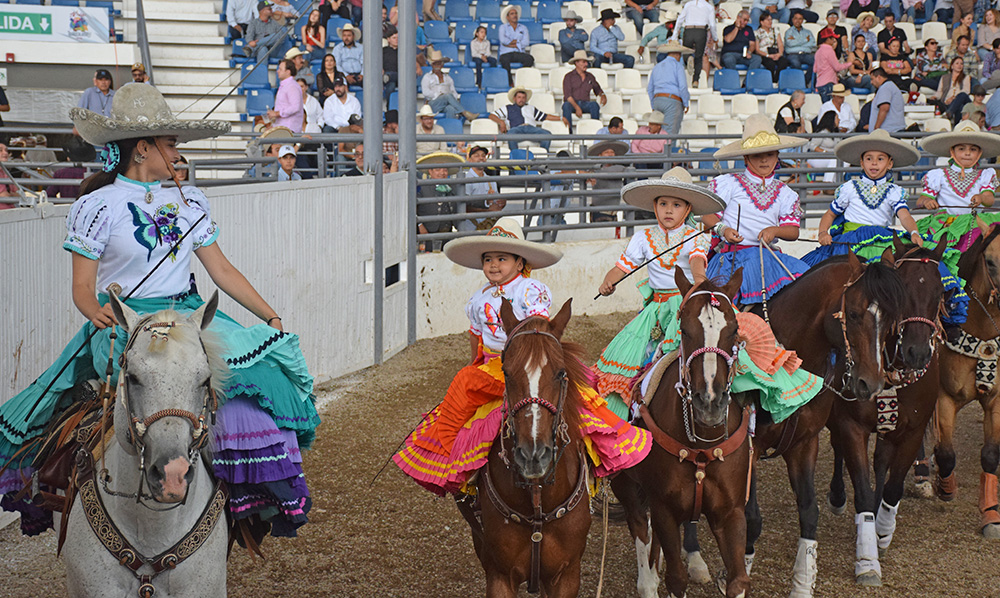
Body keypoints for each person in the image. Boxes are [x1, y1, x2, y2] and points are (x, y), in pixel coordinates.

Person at [0, 83, 319, 539]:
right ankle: (66, 493)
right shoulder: (95, 207)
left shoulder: (190, 201)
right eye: (170, 144)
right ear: (143, 148)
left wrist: (270, 317)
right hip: (125, 321)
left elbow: (222, 270)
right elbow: (82, 288)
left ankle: (244, 504)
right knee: (80, 411)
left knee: (258, 383)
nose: (177, 153)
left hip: (188, 320)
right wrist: (95, 313)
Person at [394, 216, 651, 497]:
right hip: (494, 365)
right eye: (488, 259)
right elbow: (476, 336)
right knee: (461, 392)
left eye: (501, 258)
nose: (493, 265)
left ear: (519, 263)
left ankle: (590, 465)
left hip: (531, 361)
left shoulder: (530, 290)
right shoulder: (478, 298)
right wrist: (475, 364)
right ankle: (458, 459)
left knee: (579, 401)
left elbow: (539, 331)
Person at [593, 168, 718, 417]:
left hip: (684, 304)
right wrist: (608, 282)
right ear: (654, 206)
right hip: (654, 309)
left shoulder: (695, 237)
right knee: (633, 359)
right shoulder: (643, 238)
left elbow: (696, 263)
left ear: (688, 209)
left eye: (676, 204)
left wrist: (701, 282)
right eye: (663, 203)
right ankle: (635, 410)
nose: (669, 210)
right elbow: (622, 266)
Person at [703, 114, 810, 305]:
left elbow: (793, 231)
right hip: (731, 258)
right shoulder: (729, 184)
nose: (764, 160)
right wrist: (724, 230)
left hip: (767, 258)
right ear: (746, 157)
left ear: (777, 156)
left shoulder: (785, 193)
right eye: (757, 155)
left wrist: (774, 231)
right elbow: (708, 216)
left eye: (769, 154)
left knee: (808, 285)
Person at [803, 129, 923, 268]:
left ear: (890, 164)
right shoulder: (850, 188)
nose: (874, 163)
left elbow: (905, 216)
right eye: (869, 158)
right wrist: (823, 233)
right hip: (849, 240)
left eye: (880, 159)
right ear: (861, 162)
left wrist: (914, 232)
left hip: (880, 239)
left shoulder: (893, 191)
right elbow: (830, 214)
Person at [916, 121, 1000, 247]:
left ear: (979, 153)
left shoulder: (985, 175)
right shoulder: (939, 175)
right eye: (961, 149)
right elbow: (921, 200)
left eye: (973, 149)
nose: (967, 153)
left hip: (974, 224)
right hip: (947, 225)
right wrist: (926, 202)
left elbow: (989, 199)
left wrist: (981, 197)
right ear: (952, 151)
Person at [489, 87, 566, 151]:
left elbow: (545, 116)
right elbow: (492, 115)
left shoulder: (531, 108)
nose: (521, 99)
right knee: (510, 135)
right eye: (519, 97)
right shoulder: (507, 108)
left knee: (547, 134)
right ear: (514, 98)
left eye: (523, 97)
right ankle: (515, 158)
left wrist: (561, 118)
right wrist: (501, 122)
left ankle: (543, 156)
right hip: (517, 129)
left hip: (531, 129)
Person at [415, 151, 464, 251]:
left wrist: (486, 202)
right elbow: (412, 207)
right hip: (428, 233)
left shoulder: (452, 186)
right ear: (430, 171)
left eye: (445, 170)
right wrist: (420, 225)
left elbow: (466, 199)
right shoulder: (421, 187)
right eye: (438, 169)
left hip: (448, 233)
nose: (442, 173)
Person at [647, 40, 692, 138]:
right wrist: (685, 102)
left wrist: (653, 104)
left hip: (657, 100)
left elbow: (649, 89)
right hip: (672, 101)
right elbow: (683, 87)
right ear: (677, 54)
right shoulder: (678, 66)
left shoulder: (657, 67)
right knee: (669, 135)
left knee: (657, 134)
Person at [457, 145, 505, 231]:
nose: (481, 158)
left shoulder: (491, 180)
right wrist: (488, 211)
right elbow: (464, 207)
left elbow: (496, 204)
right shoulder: (466, 180)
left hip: (488, 226)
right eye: (477, 156)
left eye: (483, 156)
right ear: (470, 160)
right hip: (470, 228)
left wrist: (502, 202)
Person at [422, 50, 480, 121]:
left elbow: (454, 93)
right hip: (433, 104)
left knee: (451, 109)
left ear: (442, 65)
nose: (437, 66)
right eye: (435, 64)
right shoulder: (427, 77)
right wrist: (439, 95)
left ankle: (449, 130)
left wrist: (451, 100)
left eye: (439, 64)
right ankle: (465, 113)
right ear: (431, 65)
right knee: (447, 96)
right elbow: (425, 92)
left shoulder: (448, 78)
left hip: (446, 104)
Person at [673, 0, 717, 87]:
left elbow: (680, 19)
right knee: (699, 56)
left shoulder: (688, 4)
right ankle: (695, 80)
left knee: (686, 52)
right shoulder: (709, 7)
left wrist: (674, 36)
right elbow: (712, 25)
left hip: (689, 30)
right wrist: (715, 38)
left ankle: (688, 58)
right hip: (701, 31)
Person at [587, 140, 631, 223]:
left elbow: (612, 171)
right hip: (600, 212)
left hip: (612, 212)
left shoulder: (619, 168)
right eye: (606, 152)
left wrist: (593, 174)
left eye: (612, 152)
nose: (610, 154)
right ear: (600, 155)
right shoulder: (595, 169)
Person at [562, 50, 607, 131]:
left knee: (594, 105)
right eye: (583, 62)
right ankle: (569, 132)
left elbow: (597, 89)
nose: (586, 64)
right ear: (576, 63)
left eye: (586, 62)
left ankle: (595, 131)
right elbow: (568, 96)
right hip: (572, 103)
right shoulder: (568, 76)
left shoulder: (590, 76)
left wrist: (602, 95)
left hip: (585, 103)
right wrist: (577, 107)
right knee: (566, 106)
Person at [498, 5, 535, 84]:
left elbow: (526, 42)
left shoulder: (523, 28)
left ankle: (520, 78)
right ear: (507, 17)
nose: (515, 15)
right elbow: (503, 40)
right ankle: (510, 82)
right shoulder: (502, 27)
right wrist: (518, 42)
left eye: (515, 13)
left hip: (519, 52)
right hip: (506, 53)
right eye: (512, 14)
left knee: (530, 59)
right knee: (504, 61)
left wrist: (512, 43)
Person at [930, 57, 973, 123]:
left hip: (961, 99)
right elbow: (940, 91)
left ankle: (949, 113)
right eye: (957, 63)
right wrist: (935, 96)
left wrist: (953, 98)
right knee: (960, 106)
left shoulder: (966, 77)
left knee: (962, 95)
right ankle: (956, 126)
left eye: (961, 64)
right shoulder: (944, 77)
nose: (959, 65)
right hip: (947, 102)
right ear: (952, 66)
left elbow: (966, 90)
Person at [814, 28, 854, 99]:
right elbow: (837, 67)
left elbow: (815, 69)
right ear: (827, 39)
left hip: (820, 83)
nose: (833, 40)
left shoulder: (818, 51)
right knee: (829, 106)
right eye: (832, 38)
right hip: (828, 83)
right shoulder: (829, 50)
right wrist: (850, 63)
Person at [267, 59, 304, 133]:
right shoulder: (286, 85)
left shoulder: (292, 86)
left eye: (280, 69)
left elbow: (295, 107)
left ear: (288, 72)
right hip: (283, 127)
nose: (278, 71)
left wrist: (277, 113)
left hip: (289, 128)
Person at [869, 68, 905, 132]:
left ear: (879, 77)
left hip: (888, 132)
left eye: (872, 79)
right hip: (891, 131)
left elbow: (884, 108)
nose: (871, 82)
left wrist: (876, 128)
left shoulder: (885, 87)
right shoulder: (889, 86)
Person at [757, 12, 790, 82]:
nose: (770, 22)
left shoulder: (775, 30)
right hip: (765, 54)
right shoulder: (757, 33)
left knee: (784, 62)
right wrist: (768, 55)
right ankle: (771, 81)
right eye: (768, 20)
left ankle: (776, 80)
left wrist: (780, 54)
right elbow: (757, 49)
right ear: (762, 22)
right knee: (770, 64)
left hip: (775, 53)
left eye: (771, 20)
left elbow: (780, 44)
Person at [785, 11, 817, 80]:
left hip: (806, 54)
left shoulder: (808, 32)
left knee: (817, 61)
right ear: (792, 20)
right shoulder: (788, 32)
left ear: (802, 20)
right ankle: (799, 82)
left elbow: (812, 43)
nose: (798, 21)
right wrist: (805, 40)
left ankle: (805, 81)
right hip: (793, 54)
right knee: (795, 63)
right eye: (796, 18)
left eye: (800, 19)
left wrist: (796, 41)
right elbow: (790, 43)